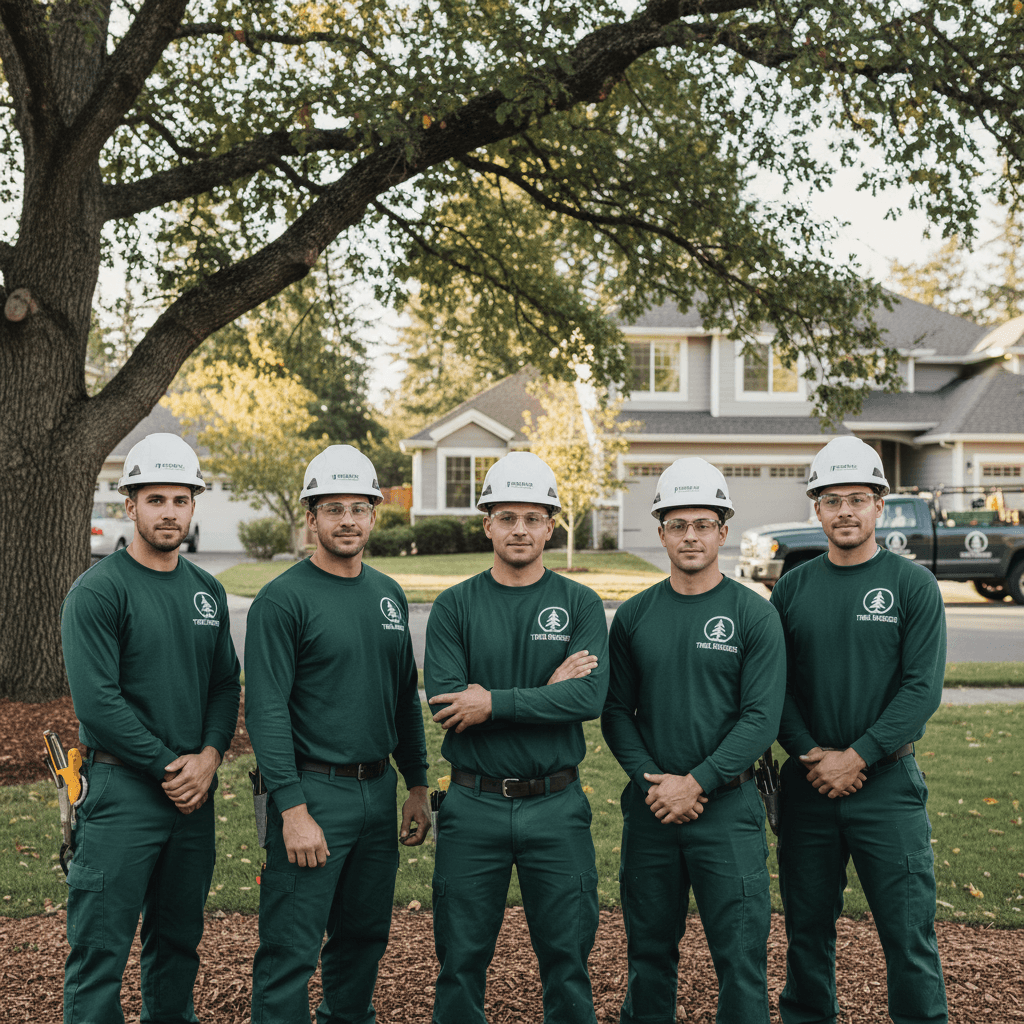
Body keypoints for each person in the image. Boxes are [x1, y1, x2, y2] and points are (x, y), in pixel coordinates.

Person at [245, 444, 430, 1024]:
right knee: (290, 949)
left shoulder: (388, 595)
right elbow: (266, 711)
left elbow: (404, 697)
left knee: (363, 937)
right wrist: (292, 808)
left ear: (375, 514)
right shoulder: (282, 600)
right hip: (313, 791)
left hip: (378, 792)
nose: (347, 519)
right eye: (333, 508)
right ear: (311, 517)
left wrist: (418, 784)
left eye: (358, 507)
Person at [60, 432, 241, 1024]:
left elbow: (223, 686)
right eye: (155, 498)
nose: (169, 511)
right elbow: (98, 705)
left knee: (177, 946)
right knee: (100, 954)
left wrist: (210, 757)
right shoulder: (99, 591)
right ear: (130, 504)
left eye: (180, 499)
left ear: (194, 505)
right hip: (122, 794)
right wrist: (174, 767)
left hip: (193, 796)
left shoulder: (207, 591)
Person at [424, 451, 609, 1024]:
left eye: (533, 517)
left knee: (567, 957)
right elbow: (452, 706)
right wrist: (543, 690)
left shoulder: (579, 602)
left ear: (551, 524)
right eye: (507, 517)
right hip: (472, 805)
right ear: (487, 524)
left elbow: (588, 698)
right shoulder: (455, 605)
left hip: (556, 805)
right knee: (459, 959)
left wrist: (495, 702)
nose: (520, 529)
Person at [602, 457, 786, 1024]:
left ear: (723, 531)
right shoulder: (633, 616)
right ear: (660, 532)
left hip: (727, 810)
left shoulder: (753, 614)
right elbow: (614, 711)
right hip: (652, 808)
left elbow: (761, 719)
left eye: (702, 524)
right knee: (649, 954)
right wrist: (654, 783)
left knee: (739, 958)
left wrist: (697, 782)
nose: (690, 535)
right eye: (678, 524)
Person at [770, 436, 947, 1024]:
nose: (845, 510)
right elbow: (776, 689)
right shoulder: (792, 587)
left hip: (889, 789)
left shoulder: (912, 585)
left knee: (908, 937)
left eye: (858, 498)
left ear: (879, 506)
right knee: (807, 935)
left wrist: (859, 756)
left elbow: (921, 690)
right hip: (808, 787)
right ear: (815, 509)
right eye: (831, 499)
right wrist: (812, 753)